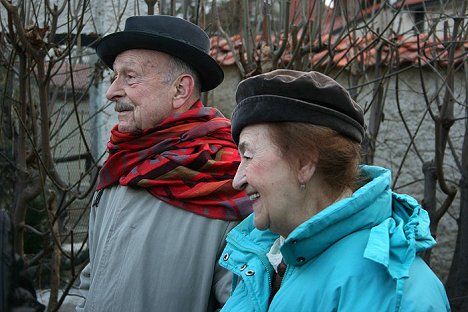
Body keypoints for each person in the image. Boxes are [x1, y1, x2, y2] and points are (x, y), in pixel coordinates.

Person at [218, 69, 451, 311]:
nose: (237, 180)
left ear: (304, 163)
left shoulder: (398, 295)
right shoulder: (257, 260)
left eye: (248, 155)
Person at [77, 15, 252, 312]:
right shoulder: (119, 168)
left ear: (180, 90)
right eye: (114, 76)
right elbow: (92, 282)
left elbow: (242, 302)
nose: (111, 92)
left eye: (129, 77)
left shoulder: (228, 178)